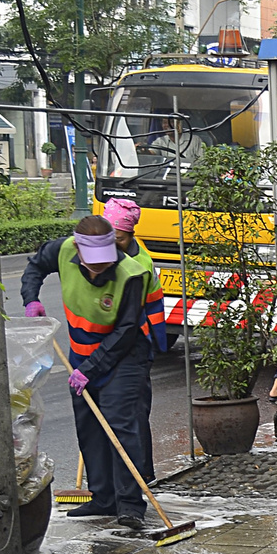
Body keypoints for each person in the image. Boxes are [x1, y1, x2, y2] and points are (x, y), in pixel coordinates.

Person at [21, 215, 157, 530]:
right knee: (91, 427)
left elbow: (125, 331)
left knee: (122, 429)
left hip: (124, 356)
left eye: (104, 263)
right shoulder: (62, 250)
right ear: (78, 252)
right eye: (92, 264)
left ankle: (130, 505)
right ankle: (103, 498)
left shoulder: (131, 273)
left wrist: (92, 368)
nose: (99, 270)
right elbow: (34, 267)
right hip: (81, 355)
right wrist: (32, 300)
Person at [100, 198, 168, 480]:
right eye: (110, 237)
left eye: (120, 238)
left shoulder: (140, 262)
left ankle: (143, 474)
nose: (114, 243)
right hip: (100, 343)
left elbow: (153, 303)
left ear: (130, 235)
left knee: (135, 412)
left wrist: (157, 343)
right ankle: (109, 481)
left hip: (133, 344)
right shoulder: (95, 252)